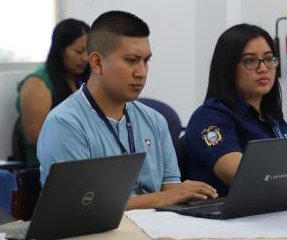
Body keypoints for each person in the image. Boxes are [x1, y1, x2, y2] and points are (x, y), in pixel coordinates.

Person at [37, 11, 218, 210]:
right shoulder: (65, 123)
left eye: (146, 61)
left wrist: (178, 196)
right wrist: (161, 199)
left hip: (157, 232)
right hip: (94, 238)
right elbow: (80, 208)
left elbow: (173, 195)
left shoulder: (155, 121)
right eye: (131, 60)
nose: (141, 72)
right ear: (97, 63)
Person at [185, 24, 287, 197]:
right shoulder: (210, 117)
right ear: (228, 67)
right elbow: (240, 174)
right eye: (250, 61)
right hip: (227, 219)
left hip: (273, 212)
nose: (263, 68)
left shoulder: (272, 117)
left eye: (269, 59)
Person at [16, 18, 90, 167]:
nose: (85, 58)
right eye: (78, 51)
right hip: (48, 167)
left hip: (83, 160)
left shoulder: (86, 80)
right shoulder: (37, 84)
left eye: (89, 51)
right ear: (59, 50)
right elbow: (36, 137)